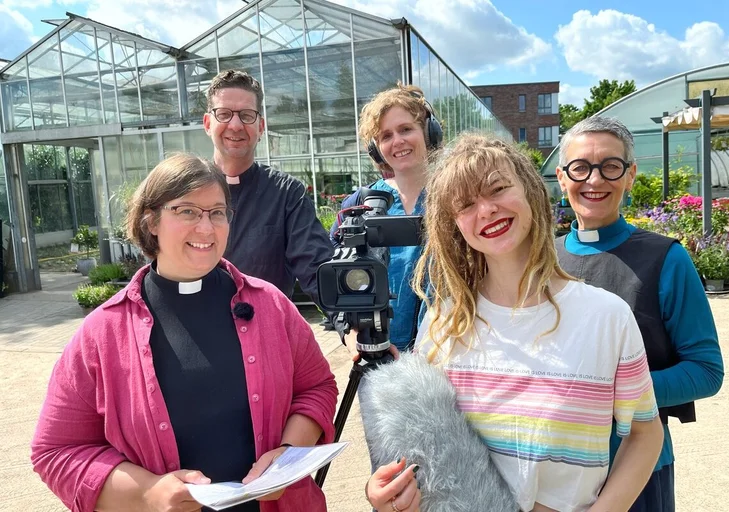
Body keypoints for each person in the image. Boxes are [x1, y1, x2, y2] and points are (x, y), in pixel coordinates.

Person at [366, 133, 664, 512]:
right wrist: (387, 493)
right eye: (466, 204)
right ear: (454, 225)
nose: (486, 210)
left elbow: (644, 432)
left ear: (530, 191)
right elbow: (426, 453)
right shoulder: (443, 324)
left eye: (497, 189)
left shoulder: (607, 317)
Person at [30, 154, 338, 512]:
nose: (206, 228)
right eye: (187, 211)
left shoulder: (271, 305)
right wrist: (147, 493)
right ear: (152, 220)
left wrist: (286, 455)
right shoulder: (102, 333)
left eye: (217, 212)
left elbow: (316, 387)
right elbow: (57, 450)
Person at [555, 117, 724, 512]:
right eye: (580, 167)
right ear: (563, 178)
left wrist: (616, 392)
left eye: (610, 166)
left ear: (630, 175)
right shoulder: (545, 258)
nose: (594, 180)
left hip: (637, 463)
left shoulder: (666, 258)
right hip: (555, 468)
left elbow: (706, 371)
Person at [329, 83, 442, 354]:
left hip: (444, 350)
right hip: (380, 350)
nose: (398, 142)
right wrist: (349, 331)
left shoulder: (454, 196)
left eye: (406, 129)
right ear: (376, 148)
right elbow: (333, 271)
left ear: (428, 133)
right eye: (386, 136)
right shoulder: (361, 204)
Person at [203, 69, 334, 305]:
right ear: (207, 123)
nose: (235, 125)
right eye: (223, 114)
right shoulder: (186, 190)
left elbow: (316, 268)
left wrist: (351, 325)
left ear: (261, 126)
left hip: (265, 333)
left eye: (246, 115)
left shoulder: (286, 193)